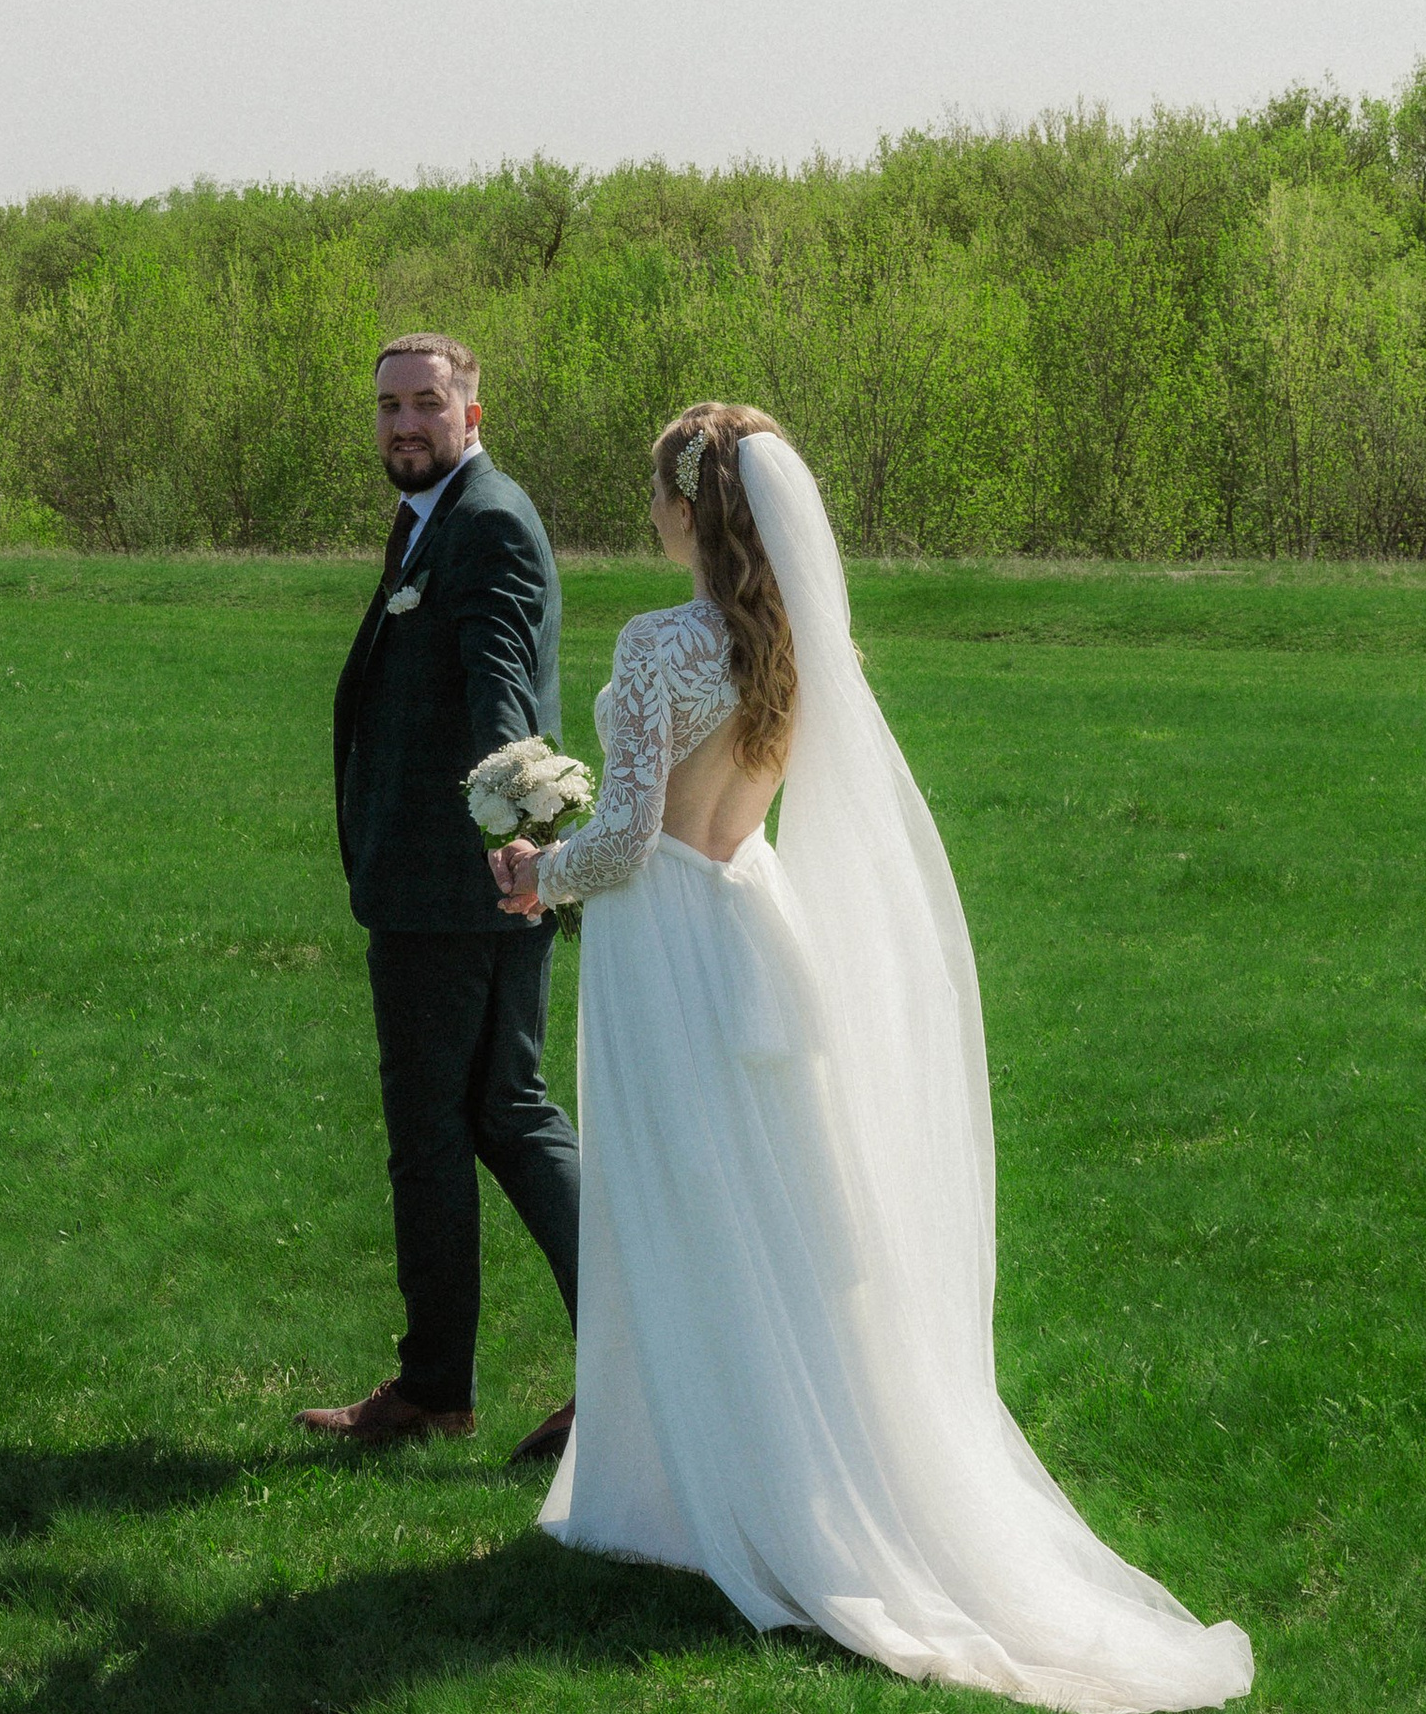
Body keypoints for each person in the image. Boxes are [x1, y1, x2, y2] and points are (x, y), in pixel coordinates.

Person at [493, 403, 1254, 1706]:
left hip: (670, 937)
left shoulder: (661, 643)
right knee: (774, 1215)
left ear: (690, 510)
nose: (651, 512)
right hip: (753, 918)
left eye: (659, 494)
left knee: (679, 1212)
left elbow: (622, 842)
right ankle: (760, 1462)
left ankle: (692, 1494)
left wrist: (531, 867)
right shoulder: (797, 646)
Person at [298, 333, 581, 1460]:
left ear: (472, 410)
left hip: (457, 889)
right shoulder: (433, 514)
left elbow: (500, 685)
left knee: (462, 1125)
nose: (403, 424)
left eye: (424, 403)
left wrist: (512, 842)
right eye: (386, 407)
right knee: (499, 1116)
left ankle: (441, 1389)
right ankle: (449, 1384)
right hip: (447, 882)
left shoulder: (487, 520)